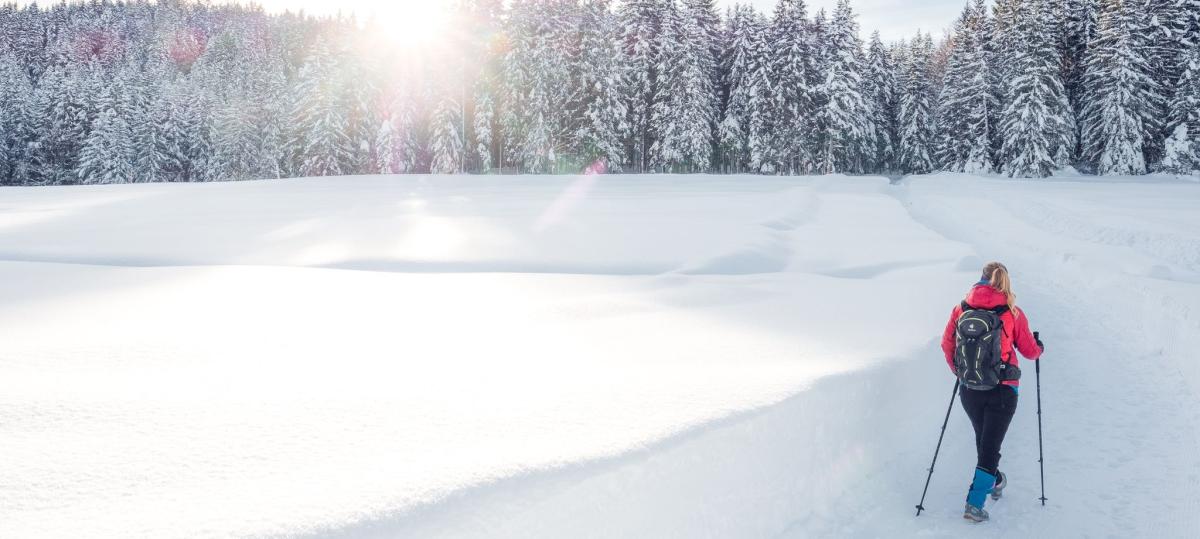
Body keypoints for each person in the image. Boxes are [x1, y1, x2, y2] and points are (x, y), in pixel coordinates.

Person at [941, 262, 1043, 522]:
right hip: (1003, 389)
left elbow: (946, 344)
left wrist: (960, 372)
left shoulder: (961, 309)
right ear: (1004, 281)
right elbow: (1030, 351)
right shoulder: (1012, 311)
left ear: (981, 279)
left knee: (985, 442)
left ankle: (995, 480)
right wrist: (1039, 347)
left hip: (970, 389)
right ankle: (974, 504)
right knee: (989, 447)